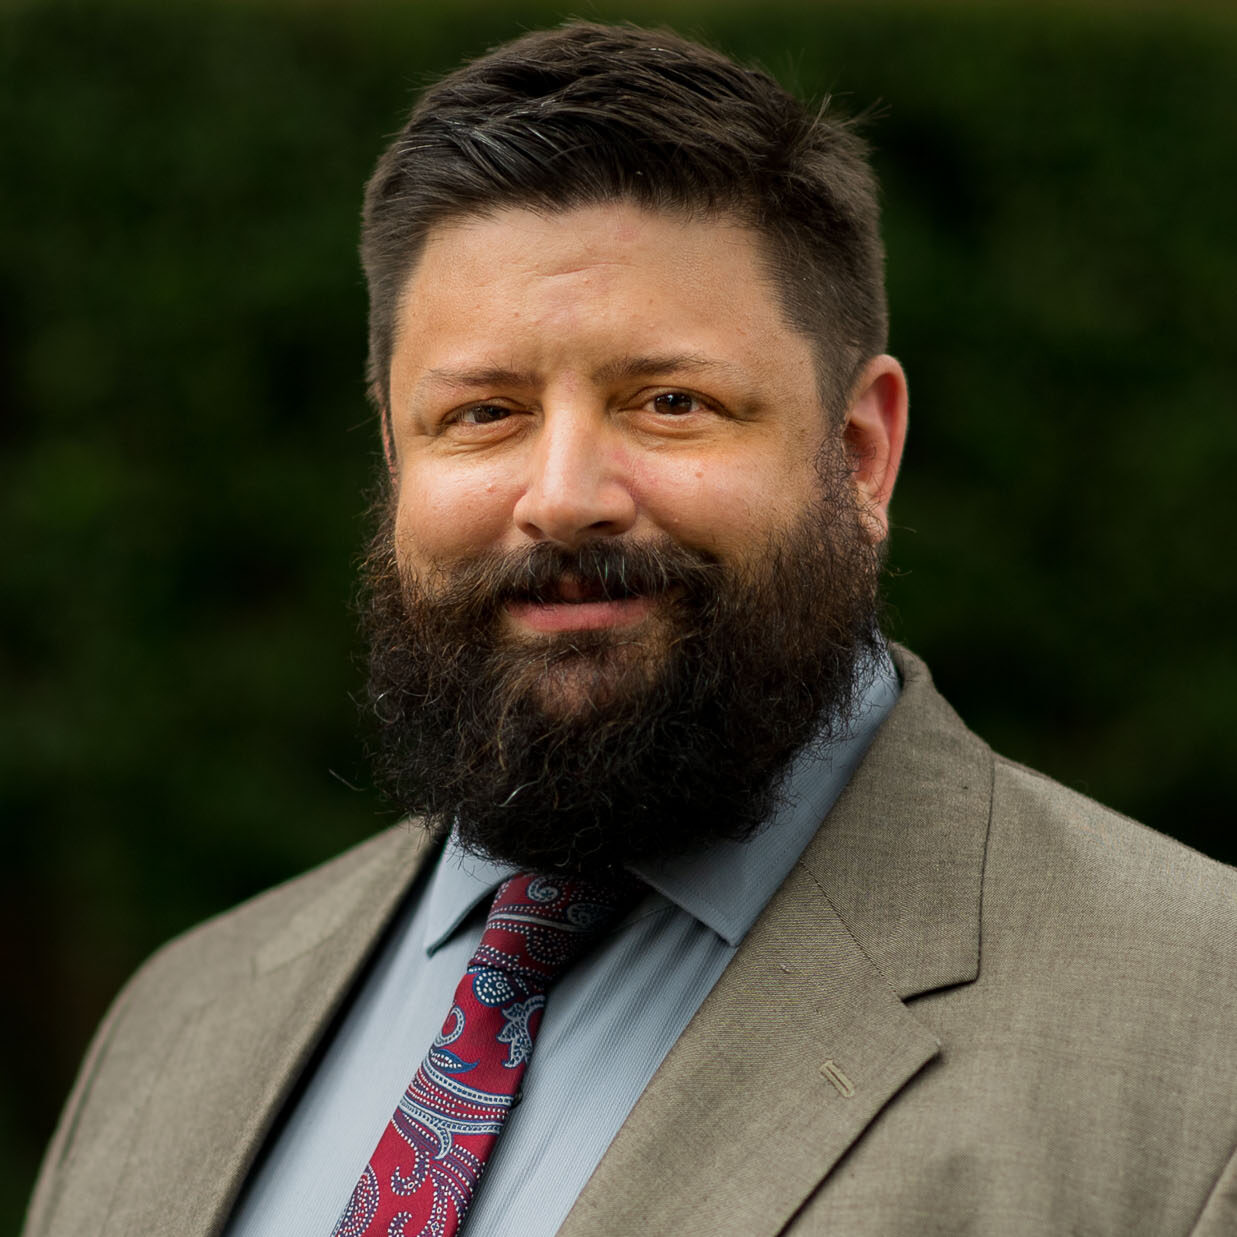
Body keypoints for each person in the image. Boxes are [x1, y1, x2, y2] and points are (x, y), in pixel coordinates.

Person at [23, 21, 1237, 1237]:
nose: (562, 496)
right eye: (483, 413)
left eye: (669, 400)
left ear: (861, 453)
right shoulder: (176, 1023)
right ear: (396, 456)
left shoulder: (1200, 1048)